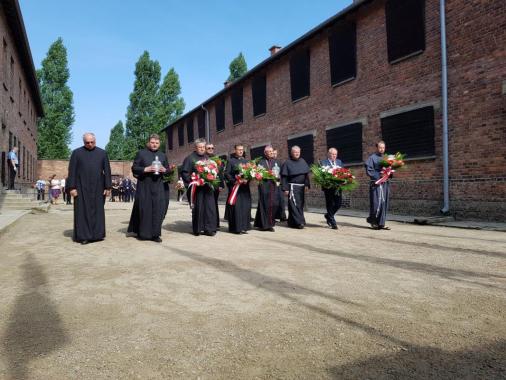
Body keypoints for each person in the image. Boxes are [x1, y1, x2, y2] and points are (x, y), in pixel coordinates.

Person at [67, 132, 112, 244]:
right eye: (87, 142)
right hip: (81, 187)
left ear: (95, 141)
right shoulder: (76, 153)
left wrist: (108, 187)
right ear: (84, 142)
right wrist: (72, 187)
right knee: (82, 212)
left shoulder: (102, 153)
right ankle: (83, 236)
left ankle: (97, 235)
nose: (90, 144)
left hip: (98, 187)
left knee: (98, 211)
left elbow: (107, 171)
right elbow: (72, 171)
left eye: (92, 142)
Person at [127, 134, 169, 242]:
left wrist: (165, 170)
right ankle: (143, 233)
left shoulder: (163, 155)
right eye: (152, 142)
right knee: (145, 209)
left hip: (158, 186)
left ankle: (156, 234)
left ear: (159, 144)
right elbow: (135, 168)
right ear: (148, 143)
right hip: (145, 185)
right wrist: (146, 169)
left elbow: (168, 170)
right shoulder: (141, 153)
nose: (154, 145)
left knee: (158, 209)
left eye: (157, 143)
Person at [181, 138, 218, 236]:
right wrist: (194, 180)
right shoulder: (190, 158)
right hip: (197, 189)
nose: (202, 149)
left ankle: (209, 229)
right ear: (195, 147)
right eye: (199, 147)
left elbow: (214, 171)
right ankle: (197, 229)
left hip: (208, 187)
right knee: (198, 208)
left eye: (203, 147)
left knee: (210, 208)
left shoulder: (208, 158)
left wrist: (212, 177)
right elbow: (185, 173)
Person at [281, 146, 310, 229]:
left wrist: (307, 184)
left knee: (300, 205)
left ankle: (292, 222)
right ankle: (299, 222)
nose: (297, 153)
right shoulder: (287, 163)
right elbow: (284, 177)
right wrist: (285, 189)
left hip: (301, 187)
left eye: (298, 152)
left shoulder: (303, 161)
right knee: (294, 205)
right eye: (295, 152)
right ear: (291, 153)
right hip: (292, 187)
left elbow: (306, 175)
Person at [225, 144, 251, 234]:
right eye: (238, 149)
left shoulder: (246, 161)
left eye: (242, 149)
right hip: (235, 188)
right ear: (235, 150)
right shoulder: (230, 161)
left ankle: (244, 227)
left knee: (245, 207)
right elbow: (227, 173)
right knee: (236, 208)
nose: (240, 151)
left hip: (245, 188)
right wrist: (234, 181)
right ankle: (236, 228)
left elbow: (251, 173)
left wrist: (247, 179)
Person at [254, 145, 281, 231]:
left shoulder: (277, 162)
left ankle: (270, 223)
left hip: (274, 187)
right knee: (265, 205)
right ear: (265, 153)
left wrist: (278, 178)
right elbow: (257, 174)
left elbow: (280, 175)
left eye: (272, 151)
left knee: (274, 205)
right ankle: (265, 225)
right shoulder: (261, 162)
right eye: (269, 152)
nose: (271, 153)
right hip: (264, 186)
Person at [365, 140, 391, 230]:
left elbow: (390, 169)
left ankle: (381, 223)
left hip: (384, 184)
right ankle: (373, 222)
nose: (382, 149)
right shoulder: (372, 158)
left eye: (383, 148)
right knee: (376, 203)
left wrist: (388, 173)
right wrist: (380, 175)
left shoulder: (386, 158)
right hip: (376, 183)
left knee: (384, 202)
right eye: (380, 147)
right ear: (377, 148)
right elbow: (369, 170)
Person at [320, 147, 343, 230]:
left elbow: (343, 173)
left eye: (335, 154)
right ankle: (333, 222)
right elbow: (322, 175)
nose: (334, 156)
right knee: (330, 204)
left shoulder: (339, 162)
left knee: (338, 203)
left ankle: (328, 215)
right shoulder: (323, 162)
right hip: (328, 187)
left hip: (337, 187)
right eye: (332, 154)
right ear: (328, 154)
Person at [206, 143, 225, 228]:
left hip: (216, 185)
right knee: (206, 204)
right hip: (205, 185)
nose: (210, 149)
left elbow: (220, 173)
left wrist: (221, 185)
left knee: (214, 203)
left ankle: (216, 223)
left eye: (212, 148)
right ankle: (207, 222)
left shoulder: (218, 159)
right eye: (208, 148)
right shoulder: (203, 158)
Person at [272, 149, 287, 222]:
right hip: (272, 184)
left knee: (281, 200)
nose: (274, 155)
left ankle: (282, 216)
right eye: (273, 153)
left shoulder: (280, 162)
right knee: (274, 201)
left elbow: (283, 173)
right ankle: (273, 217)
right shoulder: (269, 162)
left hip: (279, 184)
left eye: (275, 153)